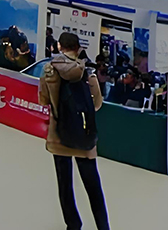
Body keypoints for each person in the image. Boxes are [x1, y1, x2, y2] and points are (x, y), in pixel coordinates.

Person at [40, 32, 109, 230]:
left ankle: (73, 224)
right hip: (84, 134)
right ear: (78, 48)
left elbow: (43, 100)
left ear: (59, 46)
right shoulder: (87, 71)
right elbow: (97, 103)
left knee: (65, 184)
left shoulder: (49, 69)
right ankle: (103, 227)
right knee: (93, 187)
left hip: (59, 134)